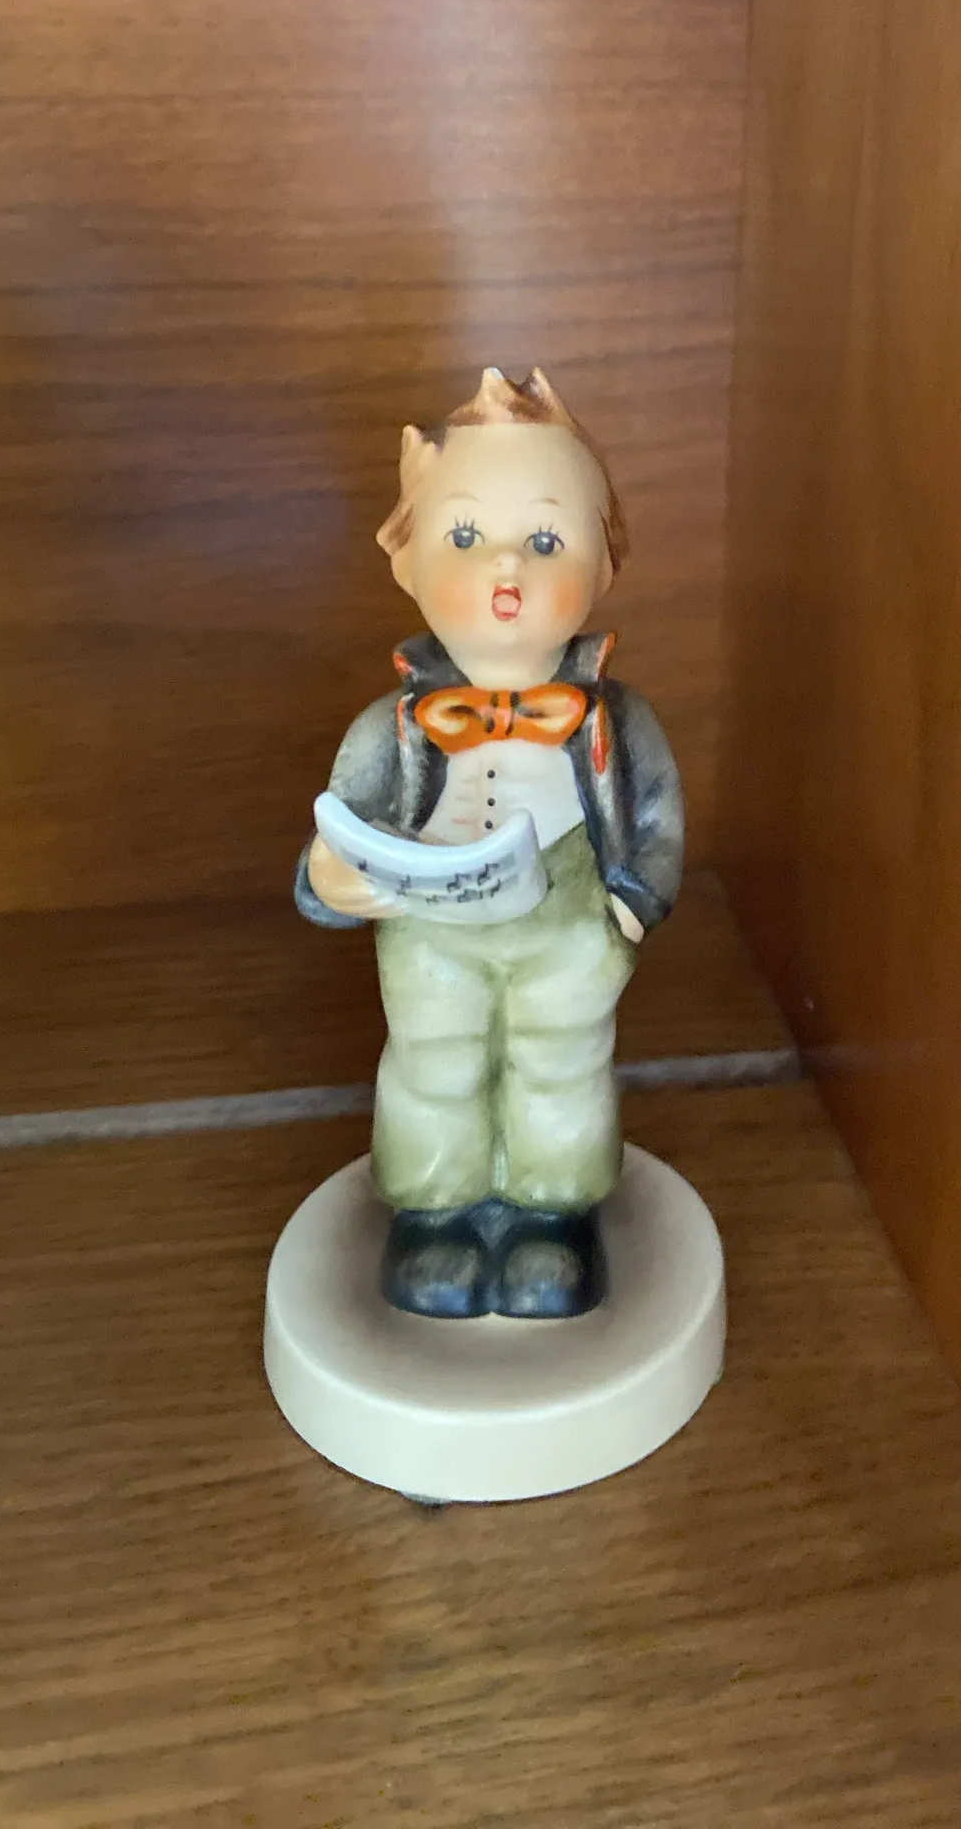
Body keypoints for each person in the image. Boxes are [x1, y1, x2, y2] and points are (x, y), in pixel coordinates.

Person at [297, 367, 683, 1320]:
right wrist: (331, 877)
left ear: (604, 563)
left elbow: (656, 819)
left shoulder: (619, 721)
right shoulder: (389, 730)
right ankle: (438, 1214)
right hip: (430, 932)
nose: (505, 569)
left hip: (568, 921)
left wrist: (631, 906)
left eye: (545, 541)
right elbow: (339, 824)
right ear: (406, 561)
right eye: (464, 537)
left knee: (562, 1062)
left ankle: (552, 1216)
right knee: (434, 1061)